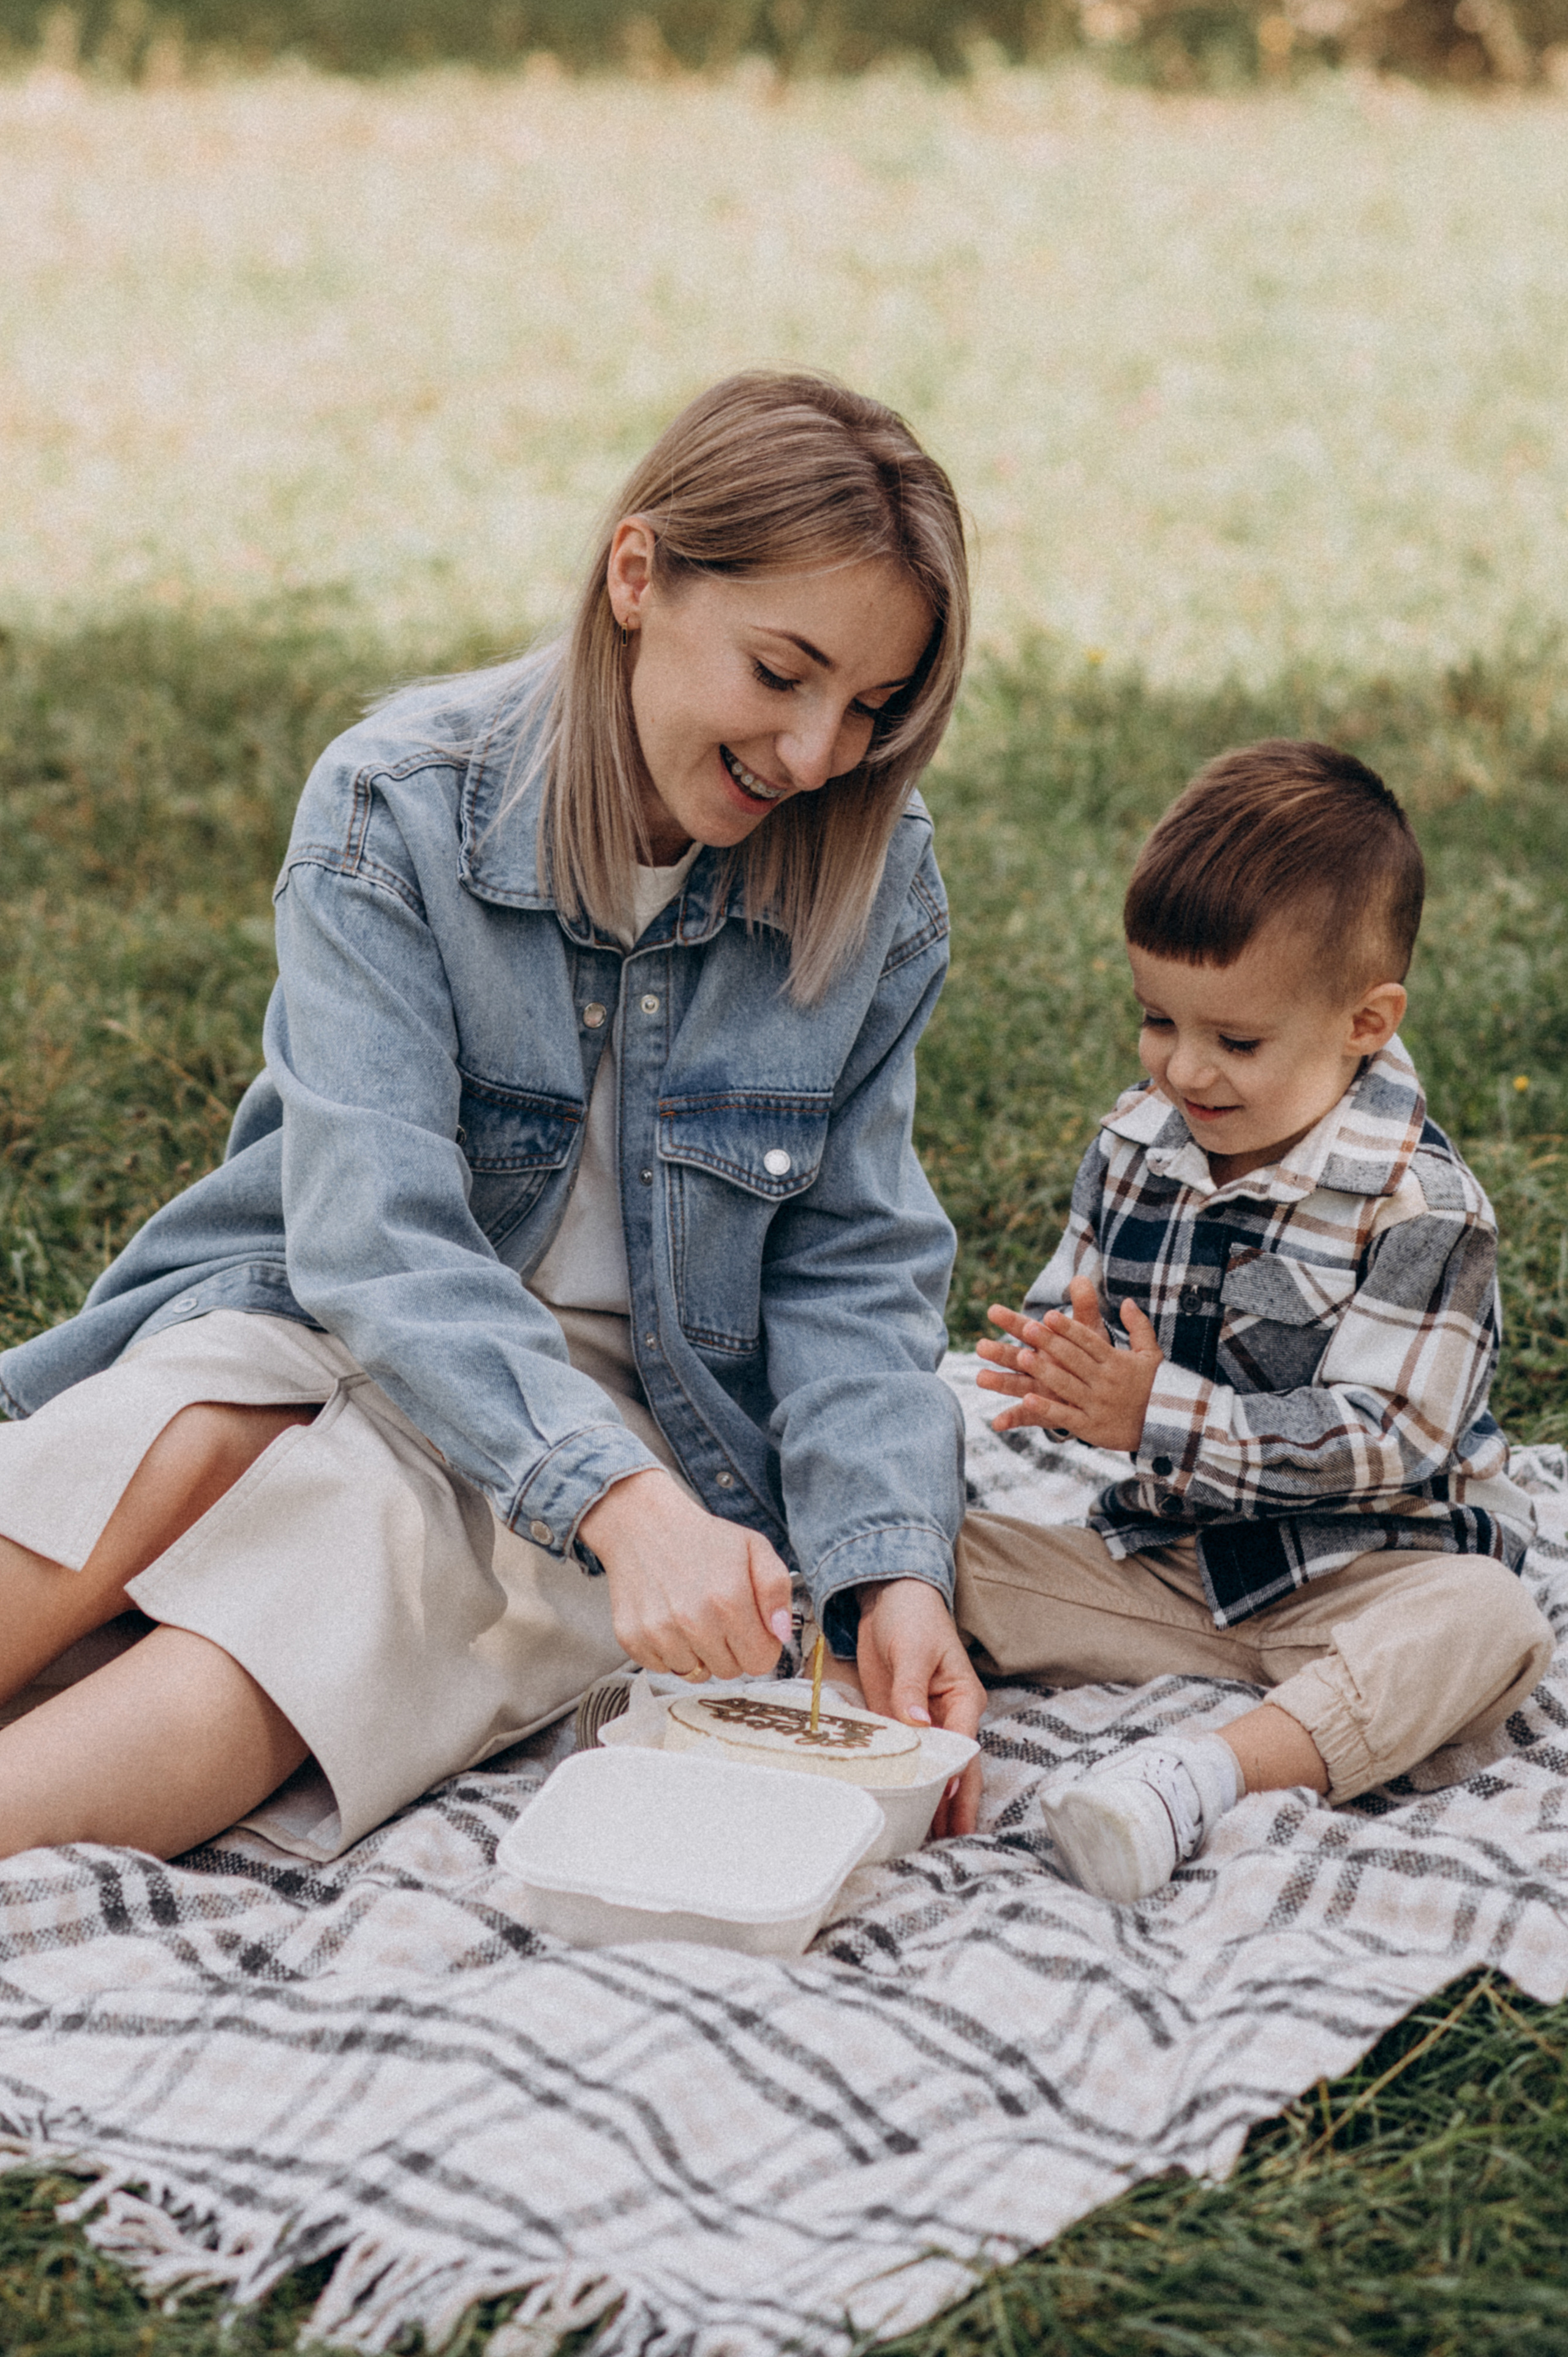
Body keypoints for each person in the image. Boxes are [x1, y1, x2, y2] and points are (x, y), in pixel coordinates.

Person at [0, 370, 986, 1866]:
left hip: (641, 1402)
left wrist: (883, 1572)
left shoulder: (871, 874)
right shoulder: (399, 804)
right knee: (174, 1438)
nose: (813, 755)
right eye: (781, 673)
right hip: (331, 1302)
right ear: (638, 574)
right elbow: (373, 1240)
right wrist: (618, 1503)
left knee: (338, 1582)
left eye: (867, 708)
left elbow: (851, 1273)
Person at [962, 740, 1553, 1904]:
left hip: (1373, 1572)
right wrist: (1062, 1369)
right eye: (1156, 1020)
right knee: (926, 1552)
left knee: (1493, 1626)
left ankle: (1203, 1776)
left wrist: (1160, 1411)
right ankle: (804, 1692)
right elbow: (1072, 1312)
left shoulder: (1426, 1209)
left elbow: (1389, 1438)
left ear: (1365, 1022)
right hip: (1172, 1569)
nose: (1185, 1070)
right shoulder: (1139, 1148)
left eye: (1236, 1041)